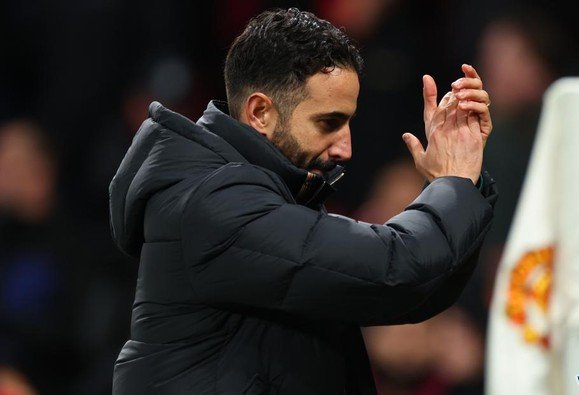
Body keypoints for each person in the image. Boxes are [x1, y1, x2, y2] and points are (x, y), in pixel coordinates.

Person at [109, 8, 496, 394]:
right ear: (260, 112)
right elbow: (394, 267)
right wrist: (454, 183)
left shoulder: (268, 195)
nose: (346, 148)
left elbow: (411, 294)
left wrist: (464, 179)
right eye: (328, 123)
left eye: (348, 123)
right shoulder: (215, 201)